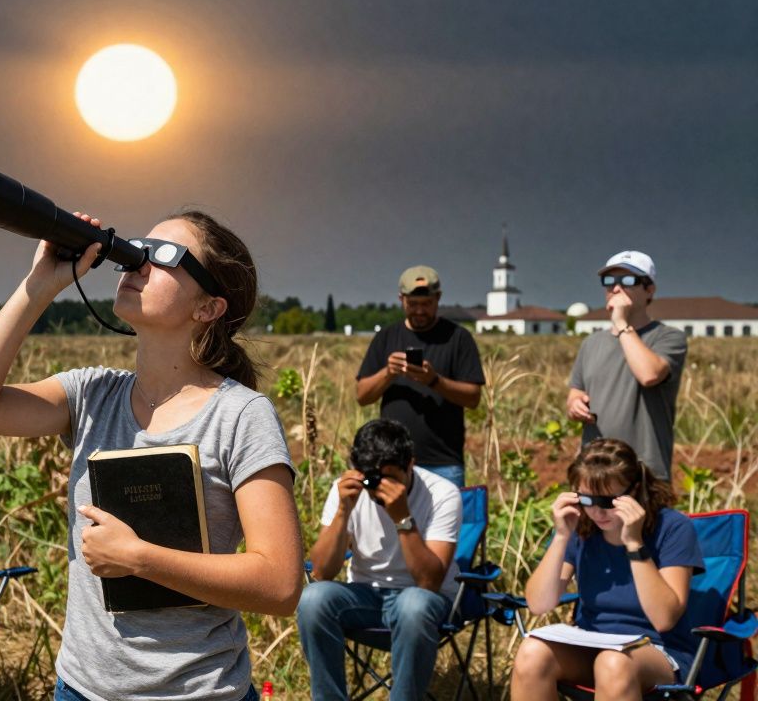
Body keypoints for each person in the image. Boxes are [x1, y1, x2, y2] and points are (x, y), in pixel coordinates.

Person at [0, 210, 302, 701]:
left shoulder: (241, 415)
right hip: (83, 687)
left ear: (208, 308)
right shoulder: (92, 395)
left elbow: (279, 583)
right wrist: (41, 284)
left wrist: (140, 559)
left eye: (165, 255)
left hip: (198, 692)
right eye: (138, 248)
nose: (139, 261)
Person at [510, 438, 703, 699]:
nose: (598, 511)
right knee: (531, 653)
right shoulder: (582, 529)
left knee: (612, 663)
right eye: (587, 500)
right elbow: (538, 604)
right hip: (591, 642)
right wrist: (561, 537)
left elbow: (664, 618)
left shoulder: (672, 528)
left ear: (634, 490)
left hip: (657, 650)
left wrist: (634, 543)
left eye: (608, 501)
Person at [296, 418, 463, 701]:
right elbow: (322, 571)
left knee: (414, 604)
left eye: (392, 478)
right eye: (373, 478)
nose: (379, 488)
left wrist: (402, 518)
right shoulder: (346, 489)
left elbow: (429, 581)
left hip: (424, 601)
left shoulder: (442, 494)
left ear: (411, 464)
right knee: (313, 598)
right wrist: (342, 513)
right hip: (366, 596)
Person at [355, 266, 484, 487]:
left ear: (438, 298)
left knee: (444, 521)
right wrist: (388, 372)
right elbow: (362, 396)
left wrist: (434, 381)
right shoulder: (385, 337)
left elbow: (473, 398)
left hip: (443, 462)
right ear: (401, 299)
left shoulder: (458, 338)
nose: (420, 311)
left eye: (426, 304)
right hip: (391, 460)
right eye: (413, 304)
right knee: (393, 521)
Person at [568, 251, 687, 480]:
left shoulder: (668, 338)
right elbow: (576, 392)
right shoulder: (591, 343)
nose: (616, 288)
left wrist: (621, 324)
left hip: (644, 472)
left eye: (628, 281)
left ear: (649, 290)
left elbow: (649, 375)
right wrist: (574, 405)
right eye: (609, 281)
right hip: (595, 471)